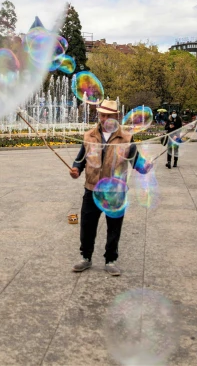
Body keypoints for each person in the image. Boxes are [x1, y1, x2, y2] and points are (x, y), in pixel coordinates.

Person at [69, 99, 152, 276]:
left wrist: (144, 166)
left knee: (114, 226)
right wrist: (76, 168)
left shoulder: (126, 138)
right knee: (87, 225)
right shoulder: (89, 135)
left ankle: (110, 259)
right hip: (91, 188)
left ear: (116, 116)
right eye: (102, 114)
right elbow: (80, 158)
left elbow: (136, 160)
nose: (104, 118)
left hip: (115, 190)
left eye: (108, 115)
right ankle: (86, 257)